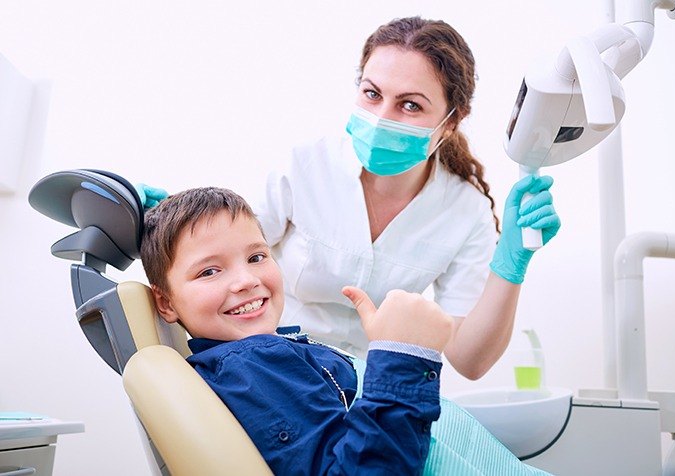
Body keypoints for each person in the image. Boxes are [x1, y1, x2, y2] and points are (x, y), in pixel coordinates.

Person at [136, 16, 561, 379]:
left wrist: (511, 266)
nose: (381, 118)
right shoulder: (305, 166)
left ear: (452, 121)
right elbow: (225, 253)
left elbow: (468, 360)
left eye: (410, 105)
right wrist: (163, 220)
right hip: (272, 373)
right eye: (372, 94)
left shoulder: (464, 211)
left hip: (367, 389)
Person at [139, 186, 550, 475]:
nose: (246, 280)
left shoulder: (266, 354)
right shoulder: (257, 365)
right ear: (166, 302)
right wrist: (402, 357)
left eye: (257, 256)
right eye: (210, 270)